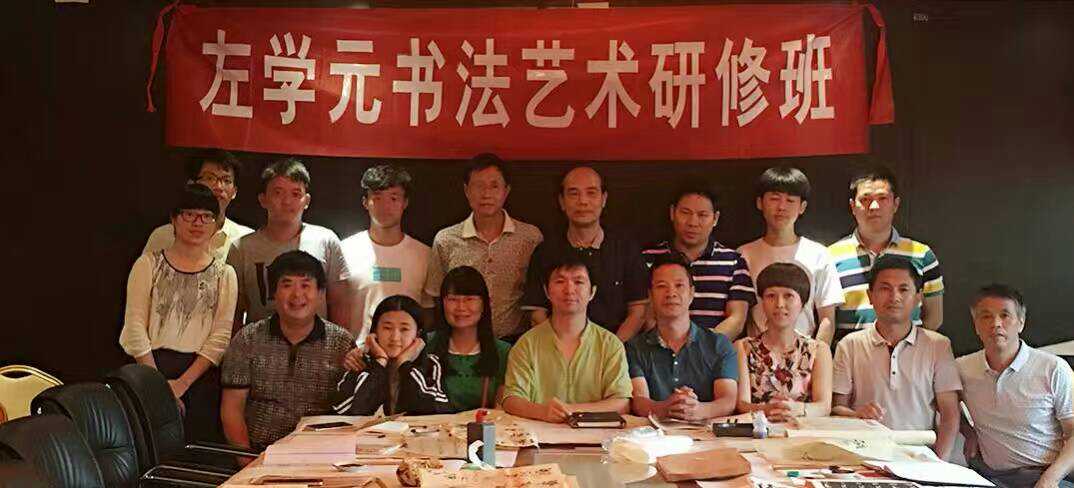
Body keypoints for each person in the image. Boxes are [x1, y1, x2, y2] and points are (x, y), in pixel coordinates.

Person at [119, 183, 237, 443]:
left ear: (216, 224)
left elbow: (220, 338)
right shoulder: (148, 264)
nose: (198, 222)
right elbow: (134, 327)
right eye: (189, 214)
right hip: (148, 370)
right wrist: (159, 386)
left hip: (199, 377)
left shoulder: (225, 274)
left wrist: (182, 384)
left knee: (196, 454)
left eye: (206, 216)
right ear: (173, 219)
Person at [220, 251, 353, 452]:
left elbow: (352, 413)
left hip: (321, 453)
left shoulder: (342, 343)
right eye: (287, 285)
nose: (297, 295)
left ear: (320, 293)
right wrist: (247, 461)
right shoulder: (248, 338)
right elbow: (232, 410)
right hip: (259, 451)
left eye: (306, 285)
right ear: (273, 293)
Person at [831, 255, 961, 460]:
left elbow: (950, 414)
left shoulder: (938, 346)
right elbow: (837, 409)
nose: (894, 297)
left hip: (919, 455)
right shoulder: (849, 345)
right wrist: (857, 415)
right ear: (870, 296)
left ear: (918, 297)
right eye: (885, 289)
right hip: (863, 455)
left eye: (903, 289)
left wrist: (938, 463)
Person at [339, 267, 512, 412]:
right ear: (442, 303)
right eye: (453, 299)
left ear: (485, 303)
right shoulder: (421, 344)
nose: (461, 307)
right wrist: (359, 354)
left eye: (470, 299)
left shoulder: (504, 352)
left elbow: (502, 409)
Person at [958, 284, 1074, 488]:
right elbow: (944, 405)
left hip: (1044, 475)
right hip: (990, 476)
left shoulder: (1053, 368)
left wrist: (1051, 479)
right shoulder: (962, 368)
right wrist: (968, 431)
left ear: (1021, 323)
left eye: (1005, 315)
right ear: (976, 325)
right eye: (986, 316)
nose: (996, 324)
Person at [424, 154, 542, 339]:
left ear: (506, 191)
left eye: (494, 186)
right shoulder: (445, 240)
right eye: (479, 186)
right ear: (466, 190)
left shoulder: (530, 237)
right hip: (463, 342)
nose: (486, 194)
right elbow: (434, 296)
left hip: (515, 341)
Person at [523, 166, 648, 341]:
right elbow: (537, 314)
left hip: (616, 348)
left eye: (591, 193)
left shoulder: (626, 249)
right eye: (574, 193)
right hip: (558, 349)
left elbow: (638, 312)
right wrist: (563, 349)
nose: (583, 201)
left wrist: (611, 349)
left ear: (604, 199)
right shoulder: (545, 252)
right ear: (562, 201)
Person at [503, 254, 633, 423]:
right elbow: (511, 399)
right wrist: (542, 412)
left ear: (592, 292)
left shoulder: (610, 344)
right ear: (547, 291)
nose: (569, 289)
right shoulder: (526, 344)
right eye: (560, 281)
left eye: (578, 282)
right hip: (540, 435)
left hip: (596, 436)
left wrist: (571, 410)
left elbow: (622, 402)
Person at [227, 158, 352, 331]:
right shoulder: (242, 248)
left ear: (306, 201)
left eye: (296, 194)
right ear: (263, 199)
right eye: (278, 193)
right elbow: (233, 310)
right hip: (259, 343)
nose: (287, 201)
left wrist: (340, 343)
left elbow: (340, 302)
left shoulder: (326, 241)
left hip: (318, 343)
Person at [828, 166, 943, 343]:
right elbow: (826, 320)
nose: (874, 206)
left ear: (895, 204)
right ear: (852, 206)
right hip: (852, 357)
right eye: (865, 199)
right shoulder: (830, 257)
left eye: (882, 198)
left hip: (909, 357)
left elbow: (934, 318)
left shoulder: (922, 255)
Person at [627, 252, 738, 421]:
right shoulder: (635, 348)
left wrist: (697, 410)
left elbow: (728, 400)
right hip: (654, 434)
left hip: (706, 434)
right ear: (650, 295)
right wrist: (667, 408)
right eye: (661, 286)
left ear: (692, 293)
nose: (671, 293)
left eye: (679, 285)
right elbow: (639, 401)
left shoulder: (718, 344)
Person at [738, 167, 843, 344]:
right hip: (756, 354)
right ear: (760, 203)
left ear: (802, 207)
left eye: (790, 200)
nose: (781, 207)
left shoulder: (819, 254)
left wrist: (814, 356)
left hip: (804, 352)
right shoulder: (744, 254)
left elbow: (827, 319)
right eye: (774, 198)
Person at [642, 185, 755, 340]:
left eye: (702, 215)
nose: (693, 222)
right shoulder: (647, 258)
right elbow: (646, 313)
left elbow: (736, 319)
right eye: (685, 213)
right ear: (672, 213)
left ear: (715, 219)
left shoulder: (734, 262)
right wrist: (671, 347)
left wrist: (703, 347)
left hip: (713, 351)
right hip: (660, 349)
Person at [341, 164, 430, 343]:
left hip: (409, 353)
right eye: (377, 198)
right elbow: (336, 307)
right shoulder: (345, 250)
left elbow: (428, 312)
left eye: (394, 198)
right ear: (365, 202)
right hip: (357, 352)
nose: (385, 206)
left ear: (405, 203)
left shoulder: (424, 254)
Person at [734, 263, 832, 421]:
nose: (779, 304)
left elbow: (824, 406)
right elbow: (742, 404)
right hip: (758, 430)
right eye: (771, 296)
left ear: (803, 303)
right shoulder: (743, 348)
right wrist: (767, 410)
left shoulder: (818, 350)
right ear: (762, 302)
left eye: (788, 296)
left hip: (802, 430)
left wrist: (797, 409)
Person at [332, 295, 451, 416]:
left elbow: (431, 410)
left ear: (418, 334)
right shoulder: (359, 363)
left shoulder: (431, 364)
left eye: (404, 329)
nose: (395, 337)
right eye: (387, 328)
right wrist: (380, 362)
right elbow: (348, 412)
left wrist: (404, 364)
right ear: (375, 331)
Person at [144, 149, 254, 260]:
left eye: (226, 181)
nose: (219, 187)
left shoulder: (245, 239)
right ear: (192, 184)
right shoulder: (163, 235)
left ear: (235, 191)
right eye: (210, 178)